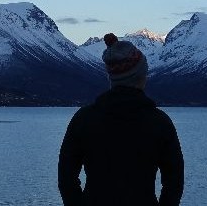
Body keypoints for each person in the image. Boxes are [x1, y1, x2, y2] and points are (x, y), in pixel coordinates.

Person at [58, 33, 184, 206]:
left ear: (111, 77)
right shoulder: (159, 122)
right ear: (141, 75)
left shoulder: (84, 119)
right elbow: (174, 182)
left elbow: (66, 178)